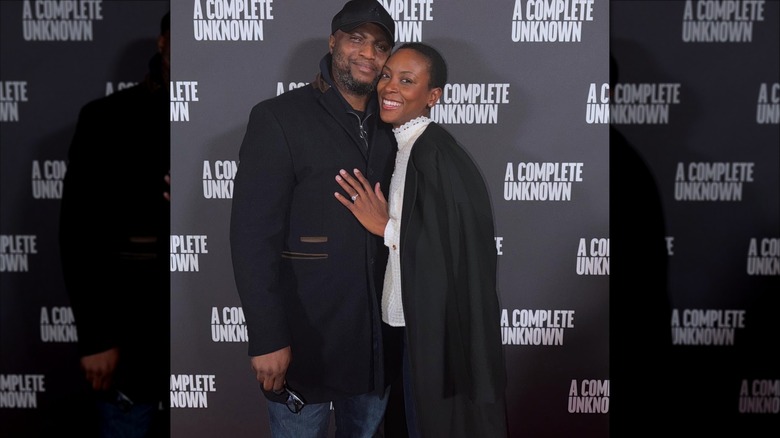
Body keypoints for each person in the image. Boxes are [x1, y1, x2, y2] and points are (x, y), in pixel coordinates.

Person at [228, 1, 398, 436]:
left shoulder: (394, 125)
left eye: (379, 46)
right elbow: (251, 238)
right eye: (356, 39)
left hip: (376, 350)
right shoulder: (279, 118)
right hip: (305, 344)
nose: (367, 53)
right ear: (333, 42)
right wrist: (267, 339)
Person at [334, 43, 509, 437]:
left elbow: (456, 249)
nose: (389, 87)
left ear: (433, 97)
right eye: (386, 75)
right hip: (411, 328)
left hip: (434, 336)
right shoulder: (407, 147)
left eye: (406, 80)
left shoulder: (435, 153)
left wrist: (386, 228)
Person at [58, 11, 170, 438]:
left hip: (212, 347)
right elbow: (77, 234)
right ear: (162, 42)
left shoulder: (241, 121)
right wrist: (95, 338)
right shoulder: (107, 118)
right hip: (129, 337)